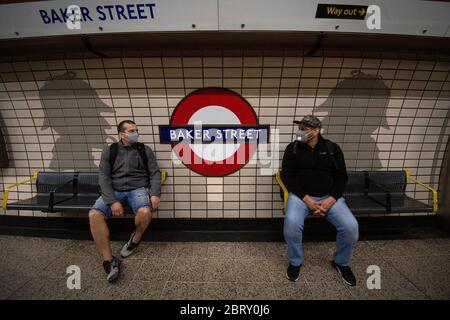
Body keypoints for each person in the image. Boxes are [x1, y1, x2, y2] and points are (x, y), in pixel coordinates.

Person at [281, 115, 359, 286]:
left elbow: (341, 178)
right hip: (301, 197)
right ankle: (295, 262)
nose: (299, 131)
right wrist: (307, 199)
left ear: (315, 130)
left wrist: (331, 199)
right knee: (292, 224)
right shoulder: (292, 149)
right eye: (299, 127)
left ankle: (340, 262)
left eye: (304, 128)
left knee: (351, 227)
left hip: (329, 197)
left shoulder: (332, 149)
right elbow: (287, 177)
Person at [88, 120, 161, 283]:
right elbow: (104, 177)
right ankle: (109, 261)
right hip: (114, 190)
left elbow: (155, 173)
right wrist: (112, 201)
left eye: (136, 130)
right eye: (131, 131)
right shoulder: (110, 151)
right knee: (94, 214)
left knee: (145, 212)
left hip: (138, 189)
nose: (135, 133)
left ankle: (134, 240)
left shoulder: (144, 150)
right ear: (121, 134)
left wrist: (155, 194)